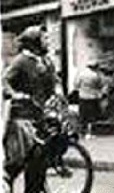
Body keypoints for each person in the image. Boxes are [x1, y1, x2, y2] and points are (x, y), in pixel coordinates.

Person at [3, 26, 58, 193]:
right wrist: (15, 94)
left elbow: (53, 81)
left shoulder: (45, 61)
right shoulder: (21, 61)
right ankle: (6, 180)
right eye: (44, 39)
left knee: (40, 157)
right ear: (34, 42)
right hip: (23, 115)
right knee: (23, 158)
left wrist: (57, 93)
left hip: (40, 113)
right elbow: (4, 81)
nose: (47, 42)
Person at [73, 60, 106, 140]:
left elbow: (76, 84)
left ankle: (81, 132)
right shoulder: (96, 75)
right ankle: (89, 133)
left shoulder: (81, 74)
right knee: (91, 116)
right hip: (92, 97)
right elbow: (100, 85)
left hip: (82, 96)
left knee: (83, 115)